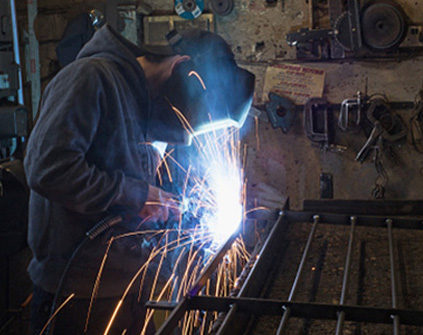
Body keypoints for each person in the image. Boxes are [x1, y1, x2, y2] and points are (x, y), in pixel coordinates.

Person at [24, 24, 254, 335]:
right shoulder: (91, 78)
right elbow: (49, 169)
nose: (185, 132)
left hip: (127, 286)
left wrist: (160, 200)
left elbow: (127, 173)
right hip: (77, 293)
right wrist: (137, 195)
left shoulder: (142, 100)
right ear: (180, 67)